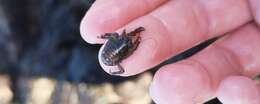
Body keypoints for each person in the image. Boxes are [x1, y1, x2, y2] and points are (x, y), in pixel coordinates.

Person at [80, 0, 260, 103]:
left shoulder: (124, 41)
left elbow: (122, 43)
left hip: (116, 51)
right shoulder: (121, 47)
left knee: (130, 45)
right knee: (130, 47)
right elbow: (124, 46)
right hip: (112, 54)